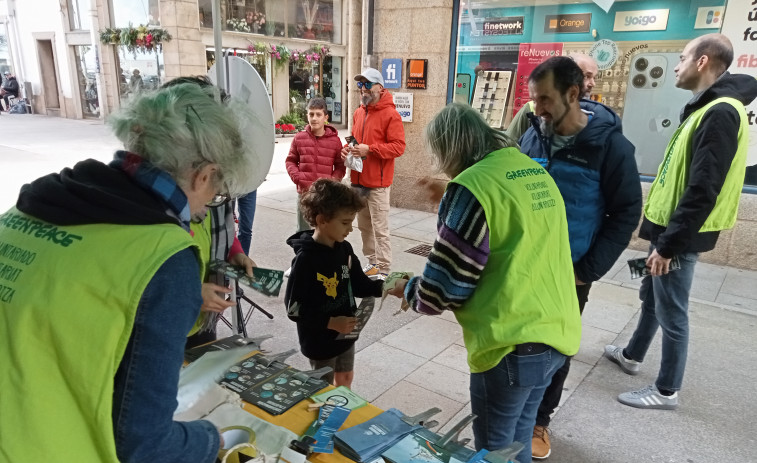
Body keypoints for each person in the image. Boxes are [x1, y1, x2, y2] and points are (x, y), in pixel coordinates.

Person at [0, 81, 260, 461]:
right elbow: (146, 446)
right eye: (215, 193)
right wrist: (211, 440)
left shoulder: (25, 211)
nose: (206, 209)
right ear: (203, 175)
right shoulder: (163, 258)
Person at [388, 103, 581, 463]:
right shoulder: (527, 169)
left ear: (448, 149)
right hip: (557, 333)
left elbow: (443, 290)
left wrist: (407, 287)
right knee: (518, 443)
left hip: (512, 344)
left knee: (493, 452)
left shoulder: (471, 187)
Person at [604, 33, 757, 409]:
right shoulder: (707, 107)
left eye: (683, 57)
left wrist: (669, 246)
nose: (676, 65)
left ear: (702, 61)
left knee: (672, 309)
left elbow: (703, 188)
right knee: (651, 297)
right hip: (669, 229)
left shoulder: (720, 112)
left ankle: (666, 390)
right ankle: (632, 355)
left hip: (681, 236)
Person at [518, 56, 642, 459]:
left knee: (555, 347)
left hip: (570, 273)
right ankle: (516, 408)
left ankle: (540, 420)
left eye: (545, 99)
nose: (537, 109)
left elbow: (625, 213)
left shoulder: (611, 146)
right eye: (534, 99)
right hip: (523, 266)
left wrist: (585, 272)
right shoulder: (533, 134)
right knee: (517, 339)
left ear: (574, 94)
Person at [285, 178, 383, 387]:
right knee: (322, 386)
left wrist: (389, 286)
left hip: (345, 334)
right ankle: (324, 417)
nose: (350, 229)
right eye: (345, 223)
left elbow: (360, 284)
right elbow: (294, 309)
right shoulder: (305, 260)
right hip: (320, 340)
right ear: (322, 220)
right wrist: (330, 322)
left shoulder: (344, 249)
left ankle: (341, 411)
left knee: (345, 377)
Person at [341, 67, 406, 279]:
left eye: (368, 84)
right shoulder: (359, 112)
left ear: (380, 87)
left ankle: (384, 268)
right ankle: (372, 263)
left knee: (380, 228)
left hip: (378, 183)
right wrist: (348, 149)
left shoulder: (391, 115)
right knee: (364, 227)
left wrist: (371, 149)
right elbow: (355, 139)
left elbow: (398, 147)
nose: (363, 89)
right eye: (360, 85)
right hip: (358, 180)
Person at [506, 53, 598, 141]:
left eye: (594, 77)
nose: (593, 84)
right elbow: (508, 148)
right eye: (586, 76)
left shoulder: (600, 125)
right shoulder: (530, 115)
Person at [286, 97, 346, 233]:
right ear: (307, 115)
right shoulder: (299, 138)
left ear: (325, 117)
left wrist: (330, 182)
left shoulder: (335, 141)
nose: (314, 118)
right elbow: (290, 161)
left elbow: (340, 166)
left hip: (324, 196)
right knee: (303, 233)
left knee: (324, 232)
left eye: (318, 114)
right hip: (304, 194)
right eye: (311, 114)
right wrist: (298, 178)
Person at [236, 189, 257, 255]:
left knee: (246, 228)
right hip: (226, 185)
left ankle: (243, 259)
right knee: (224, 227)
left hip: (249, 185)